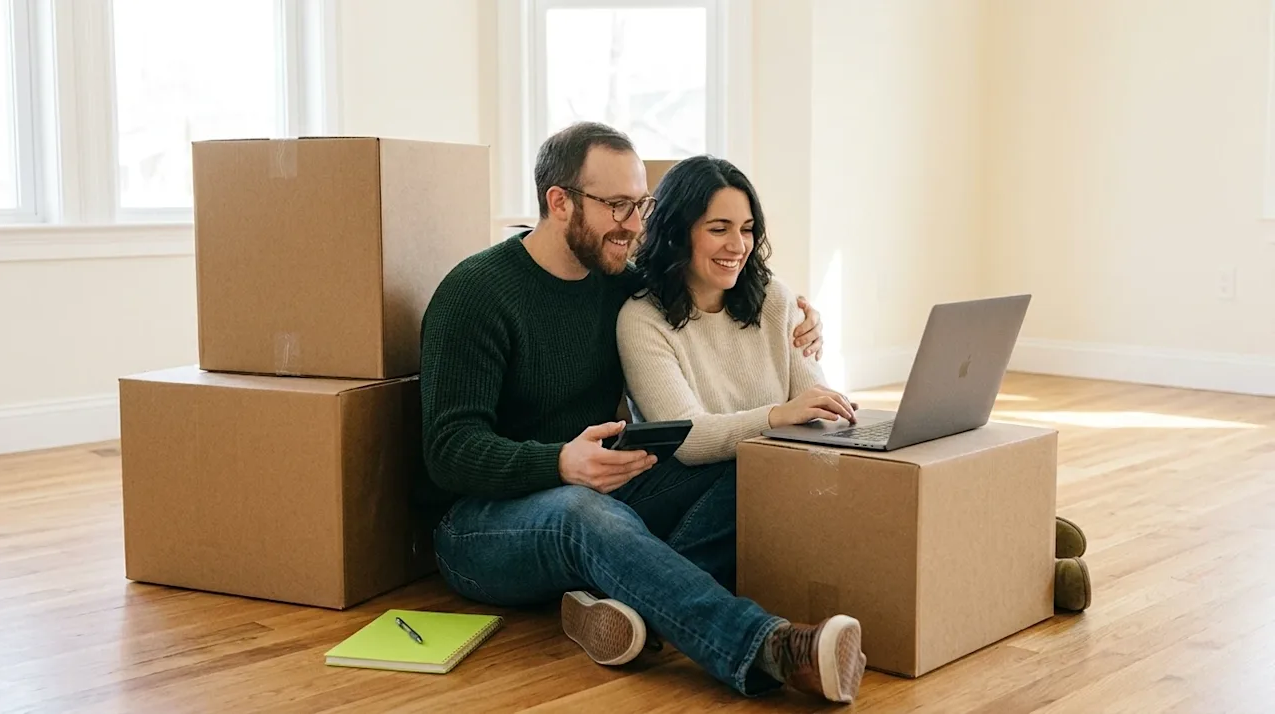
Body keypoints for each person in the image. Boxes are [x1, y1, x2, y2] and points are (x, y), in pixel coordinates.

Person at [418, 122, 867, 704]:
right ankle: (770, 649)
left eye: (642, 204)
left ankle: (624, 610)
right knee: (578, 511)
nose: (635, 224)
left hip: (601, 489)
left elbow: (714, 293)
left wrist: (803, 324)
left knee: (750, 466)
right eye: (618, 206)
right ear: (559, 202)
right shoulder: (475, 293)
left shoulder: (619, 283)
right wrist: (558, 463)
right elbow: (447, 452)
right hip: (480, 526)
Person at [616, 154, 1092, 614]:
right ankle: (1020, 553)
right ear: (678, 233)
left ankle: (1019, 550)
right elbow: (690, 439)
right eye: (718, 229)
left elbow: (815, 404)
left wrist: (830, 419)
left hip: (778, 471)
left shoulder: (773, 299)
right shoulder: (642, 318)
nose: (737, 245)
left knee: (876, 465)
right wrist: (777, 416)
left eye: (746, 229)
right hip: (707, 484)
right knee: (766, 471)